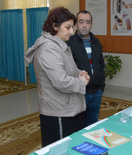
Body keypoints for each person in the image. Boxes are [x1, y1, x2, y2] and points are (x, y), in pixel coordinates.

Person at [24, 7, 90, 147]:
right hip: (58, 112)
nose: (72, 32)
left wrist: (78, 73)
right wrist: (81, 82)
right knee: (59, 150)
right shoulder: (48, 49)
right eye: (67, 27)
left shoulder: (58, 45)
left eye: (72, 27)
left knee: (74, 147)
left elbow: (65, 68)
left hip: (69, 108)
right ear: (55, 26)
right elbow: (60, 82)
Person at [66, 10, 105, 126]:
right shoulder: (69, 43)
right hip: (79, 93)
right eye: (81, 22)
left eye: (87, 22)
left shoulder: (96, 42)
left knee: (92, 124)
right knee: (77, 125)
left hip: (96, 92)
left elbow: (101, 65)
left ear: (91, 25)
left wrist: (101, 87)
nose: (84, 25)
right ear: (76, 24)